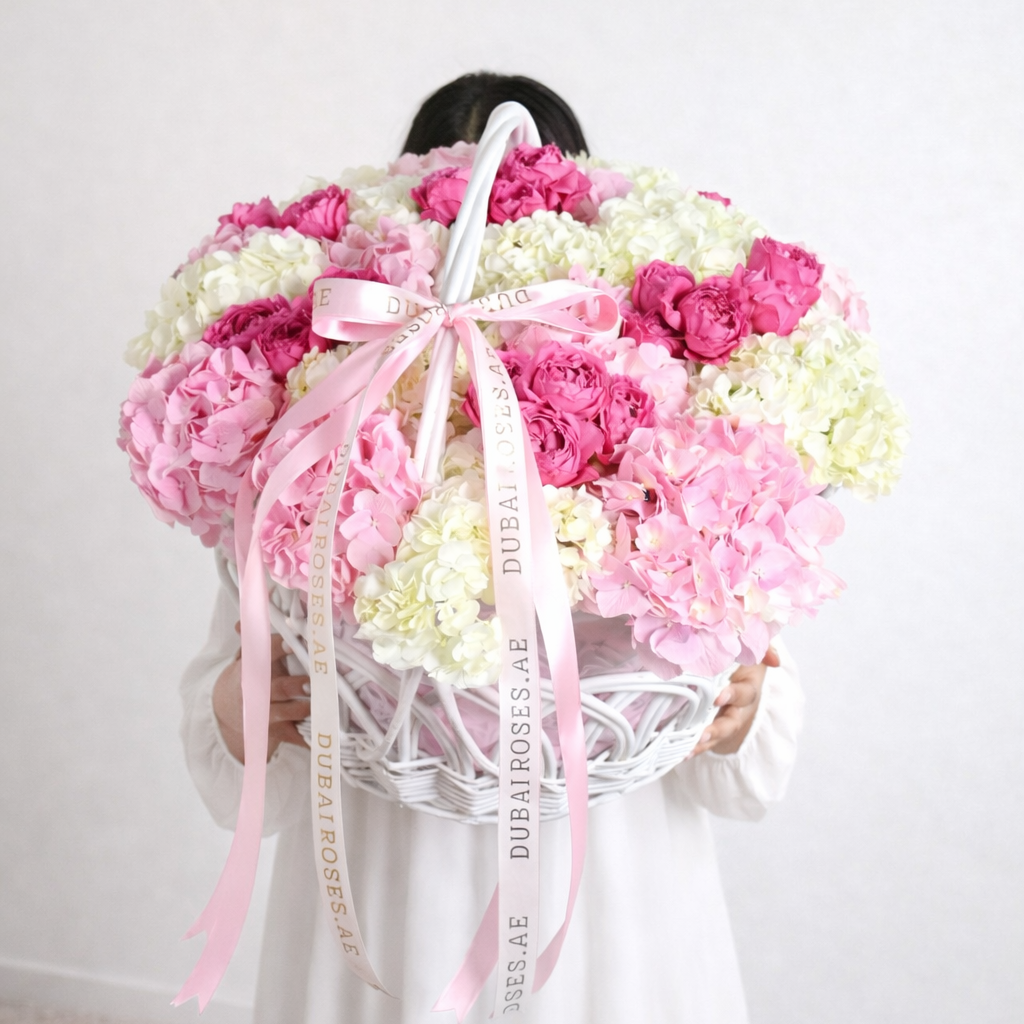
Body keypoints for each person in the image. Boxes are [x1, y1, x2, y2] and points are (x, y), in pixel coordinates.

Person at [181, 73, 804, 1024]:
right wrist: (238, 710)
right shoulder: (331, 419)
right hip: (391, 862)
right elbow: (241, 665)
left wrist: (750, 705)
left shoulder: (662, 422)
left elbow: (746, 734)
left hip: (612, 878)